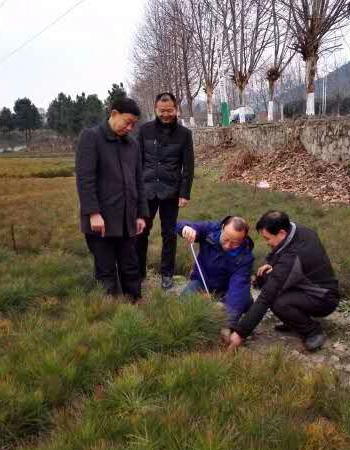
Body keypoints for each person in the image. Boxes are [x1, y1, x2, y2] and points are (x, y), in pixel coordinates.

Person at [228, 211, 340, 352]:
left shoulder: (292, 258)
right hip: (307, 286)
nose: (267, 242)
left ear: (281, 233)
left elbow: (266, 298)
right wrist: (270, 263)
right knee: (265, 277)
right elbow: (279, 250)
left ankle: (312, 331)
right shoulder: (298, 230)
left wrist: (240, 333)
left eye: (267, 238)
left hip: (324, 299)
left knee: (277, 302)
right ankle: (294, 320)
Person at [75, 97, 148, 301]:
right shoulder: (91, 137)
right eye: (127, 122)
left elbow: (139, 181)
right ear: (114, 114)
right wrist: (93, 213)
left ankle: (135, 302)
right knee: (105, 269)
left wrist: (141, 214)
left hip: (127, 219)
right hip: (101, 221)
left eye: (133, 124)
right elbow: (85, 179)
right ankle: (110, 309)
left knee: (130, 265)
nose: (130, 128)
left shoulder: (132, 144)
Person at [136, 92, 195, 290]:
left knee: (169, 234)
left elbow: (188, 166)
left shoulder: (184, 134)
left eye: (169, 111)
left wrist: (184, 193)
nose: (166, 115)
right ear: (156, 109)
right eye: (162, 111)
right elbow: (137, 161)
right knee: (141, 231)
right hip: (146, 191)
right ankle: (139, 272)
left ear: (176, 109)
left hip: (171, 191)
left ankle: (167, 274)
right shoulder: (144, 131)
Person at [177, 216, 254, 339]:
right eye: (226, 239)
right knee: (181, 305)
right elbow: (183, 224)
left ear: (243, 239)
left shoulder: (245, 257)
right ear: (222, 228)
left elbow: (237, 288)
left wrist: (227, 325)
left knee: (242, 298)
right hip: (202, 282)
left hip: (227, 289)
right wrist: (185, 228)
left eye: (234, 243)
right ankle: (211, 307)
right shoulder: (210, 229)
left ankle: (222, 306)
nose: (228, 245)